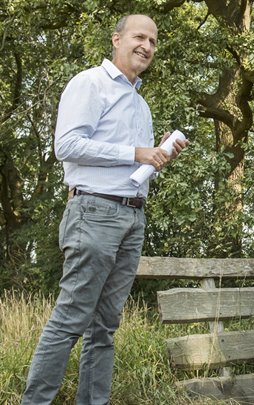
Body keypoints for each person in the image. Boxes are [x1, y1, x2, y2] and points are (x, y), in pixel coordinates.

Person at [21, 14, 188, 404]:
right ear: (116, 39)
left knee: (105, 327)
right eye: (139, 37)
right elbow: (68, 146)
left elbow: (133, 170)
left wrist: (159, 154)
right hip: (94, 212)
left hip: (133, 215)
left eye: (153, 40)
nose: (147, 45)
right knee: (70, 320)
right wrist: (135, 152)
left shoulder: (140, 105)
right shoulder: (89, 83)